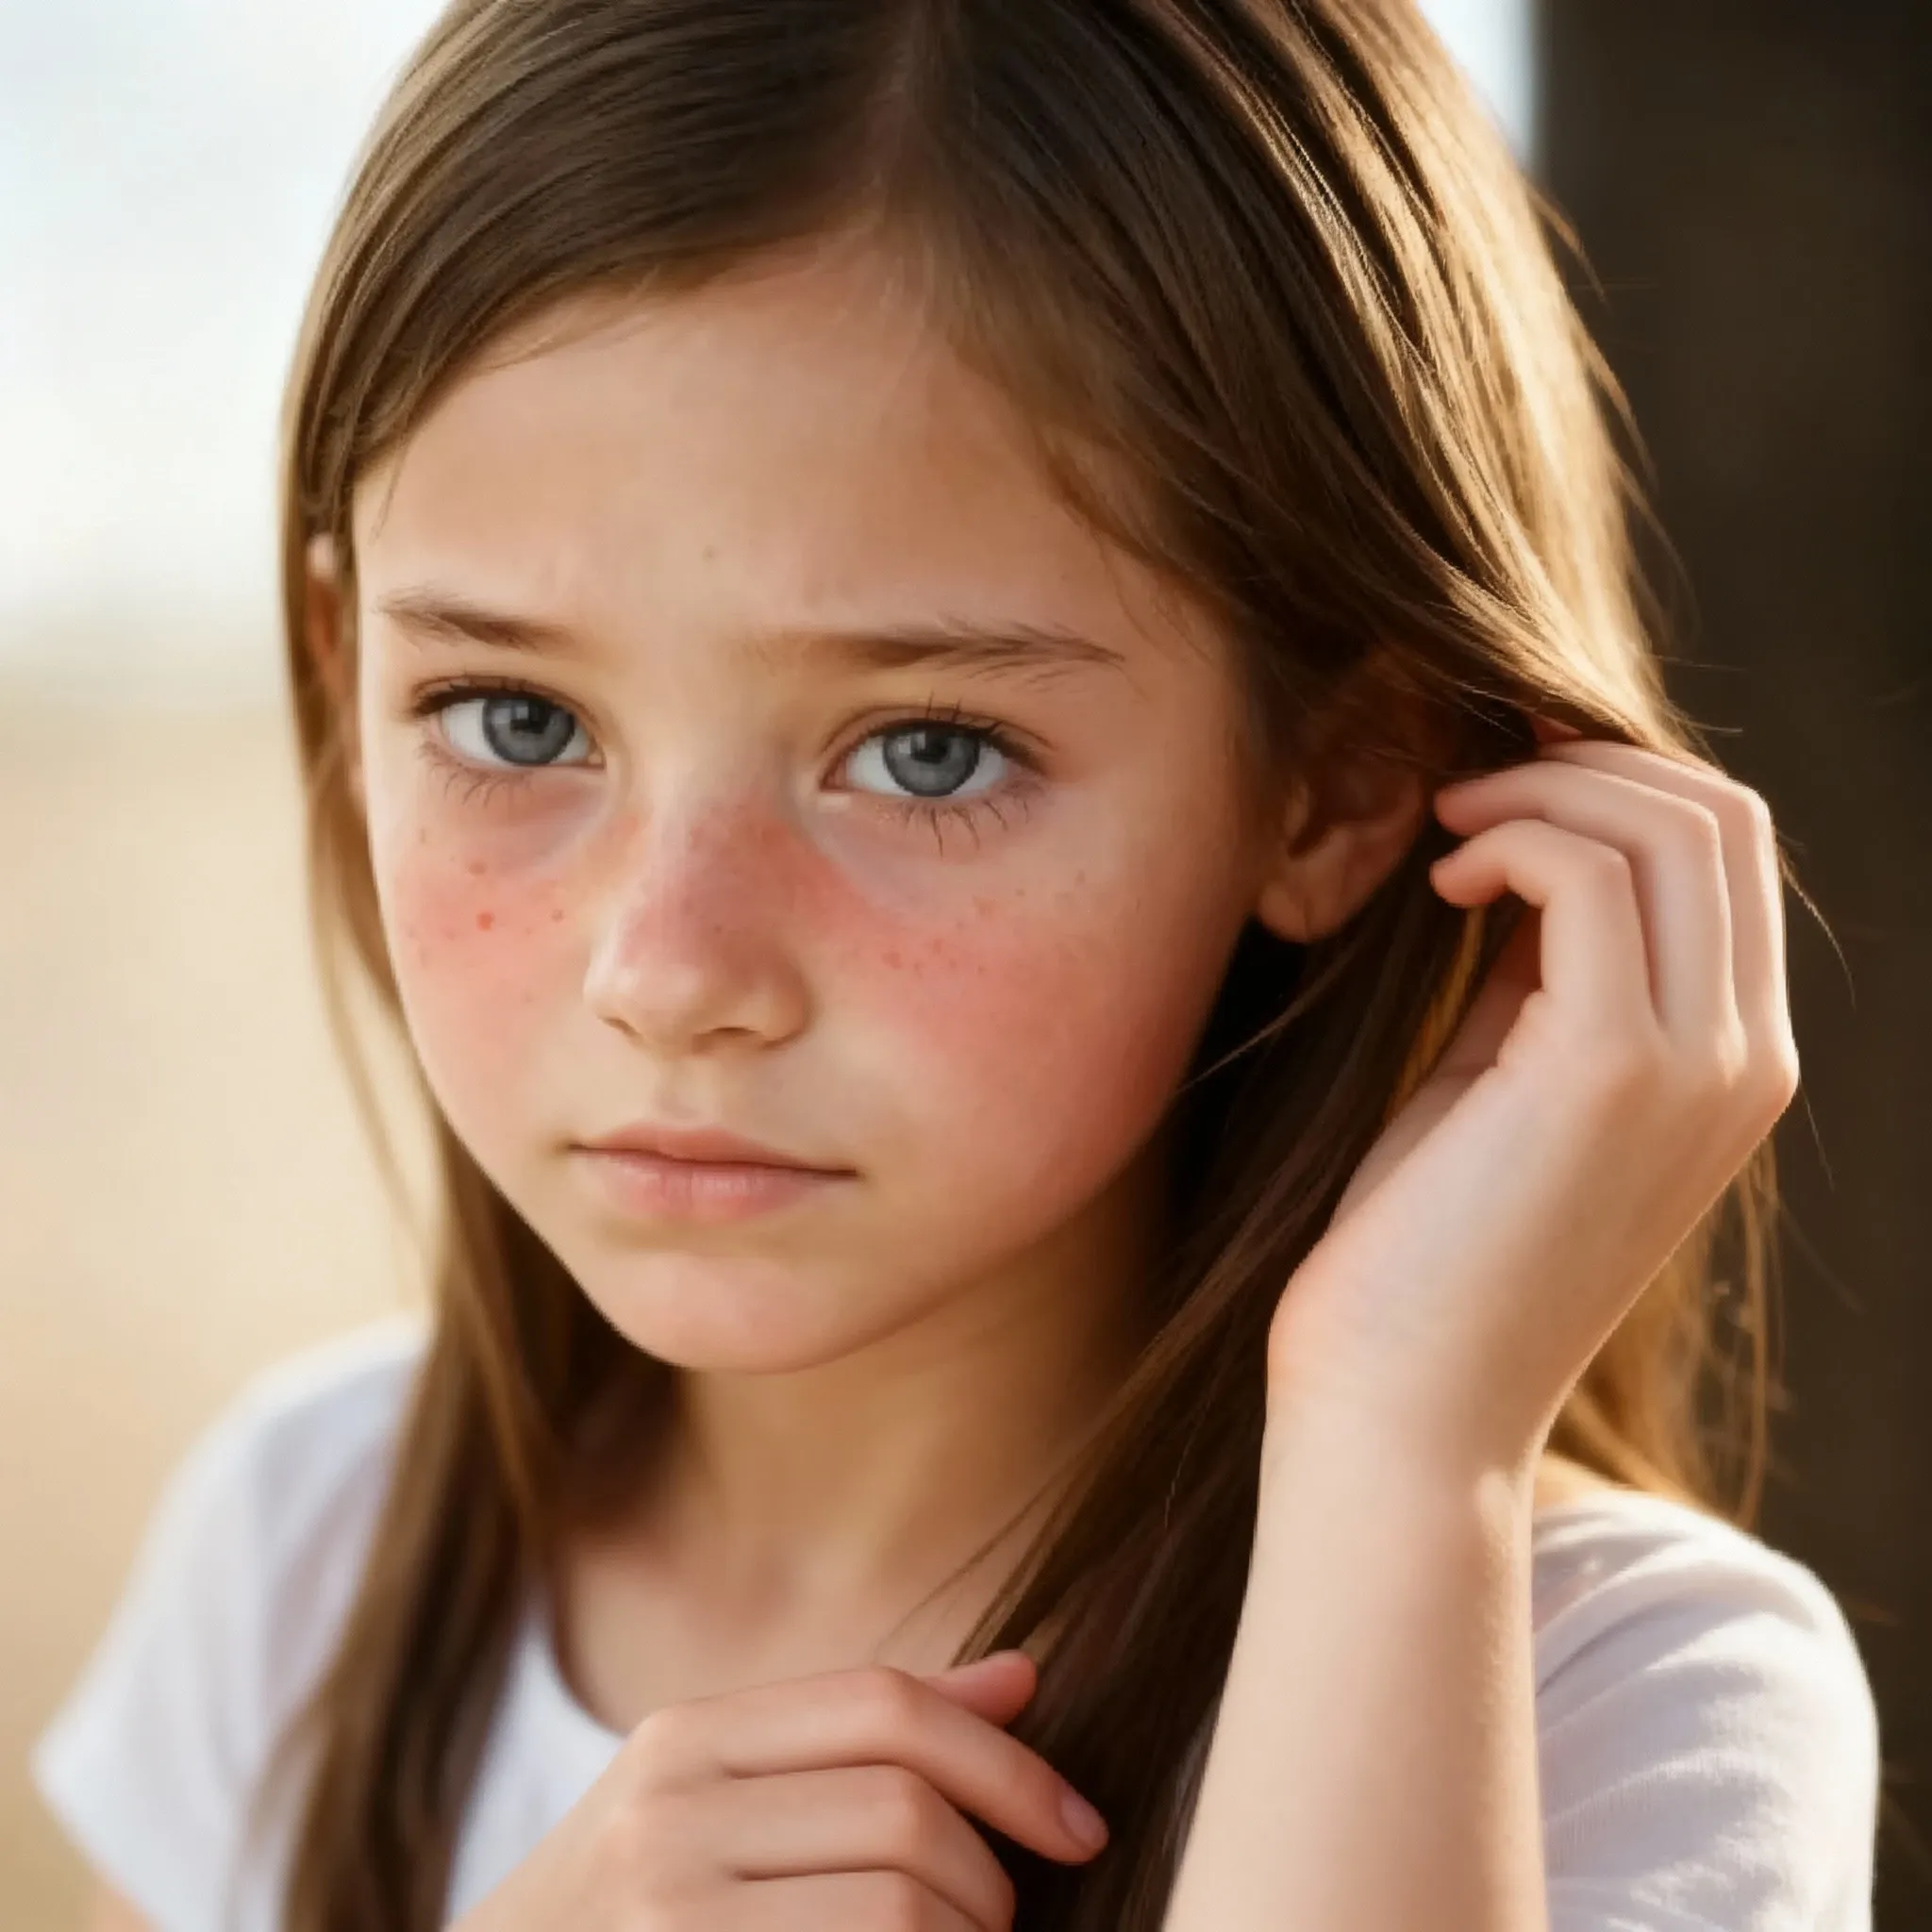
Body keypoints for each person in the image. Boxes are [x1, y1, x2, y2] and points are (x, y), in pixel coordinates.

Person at [30, 2, 1881, 1928]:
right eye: (507, 718)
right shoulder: (300, 1558)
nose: (670, 973)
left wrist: (1405, 1440)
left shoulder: (1624, 1702)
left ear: (1336, 786)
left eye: (927, 752)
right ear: (344, 675)